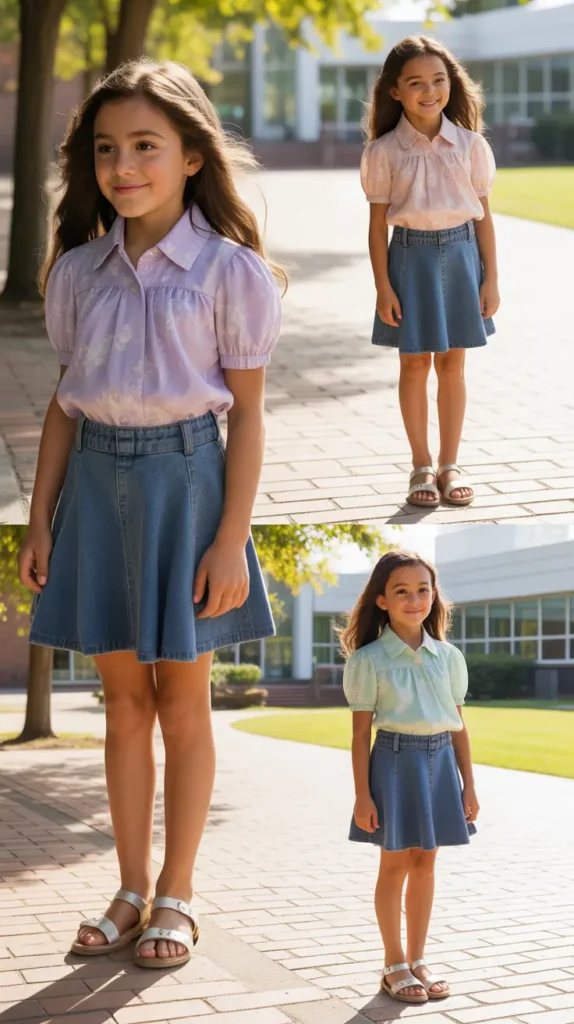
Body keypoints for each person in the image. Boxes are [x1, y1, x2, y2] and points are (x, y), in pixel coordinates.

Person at [18, 58, 283, 969]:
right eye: (105, 149)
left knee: (182, 702)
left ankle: (178, 891)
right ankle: (130, 890)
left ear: (192, 156)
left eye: (145, 146)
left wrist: (232, 539)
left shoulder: (230, 272)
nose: (123, 167)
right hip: (94, 487)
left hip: (190, 487)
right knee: (123, 701)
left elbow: (249, 414)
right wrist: (40, 519)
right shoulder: (77, 273)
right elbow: (64, 404)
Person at [361, 36, 500, 509]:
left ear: (451, 84)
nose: (429, 91)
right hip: (409, 260)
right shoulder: (384, 152)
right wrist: (382, 286)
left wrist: (491, 278)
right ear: (395, 90)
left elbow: (484, 217)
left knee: (453, 364)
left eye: (438, 80)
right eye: (416, 83)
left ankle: (450, 464)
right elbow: (376, 227)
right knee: (415, 363)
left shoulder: (471, 146)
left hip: (462, 256)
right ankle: (421, 464)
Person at [340, 550, 479, 1003]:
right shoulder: (369, 661)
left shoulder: (449, 657)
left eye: (423, 589)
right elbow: (360, 736)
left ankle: (419, 959)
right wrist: (362, 796)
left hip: (441, 764)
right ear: (382, 600)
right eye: (402, 591)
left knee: (426, 864)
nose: (414, 599)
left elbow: (458, 726)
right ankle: (394, 963)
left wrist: (469, 784)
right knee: (395, 864)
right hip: (395, 763)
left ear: (434, 595)